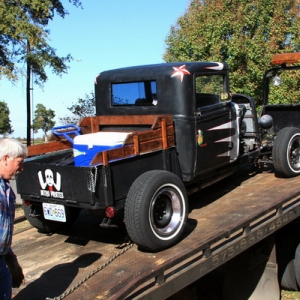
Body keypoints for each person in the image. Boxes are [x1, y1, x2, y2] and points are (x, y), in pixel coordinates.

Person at [0, 138, 27, 299]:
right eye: (19, 163)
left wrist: (11, 260)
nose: (22, 168)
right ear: (5, 159)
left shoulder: (6, 188)